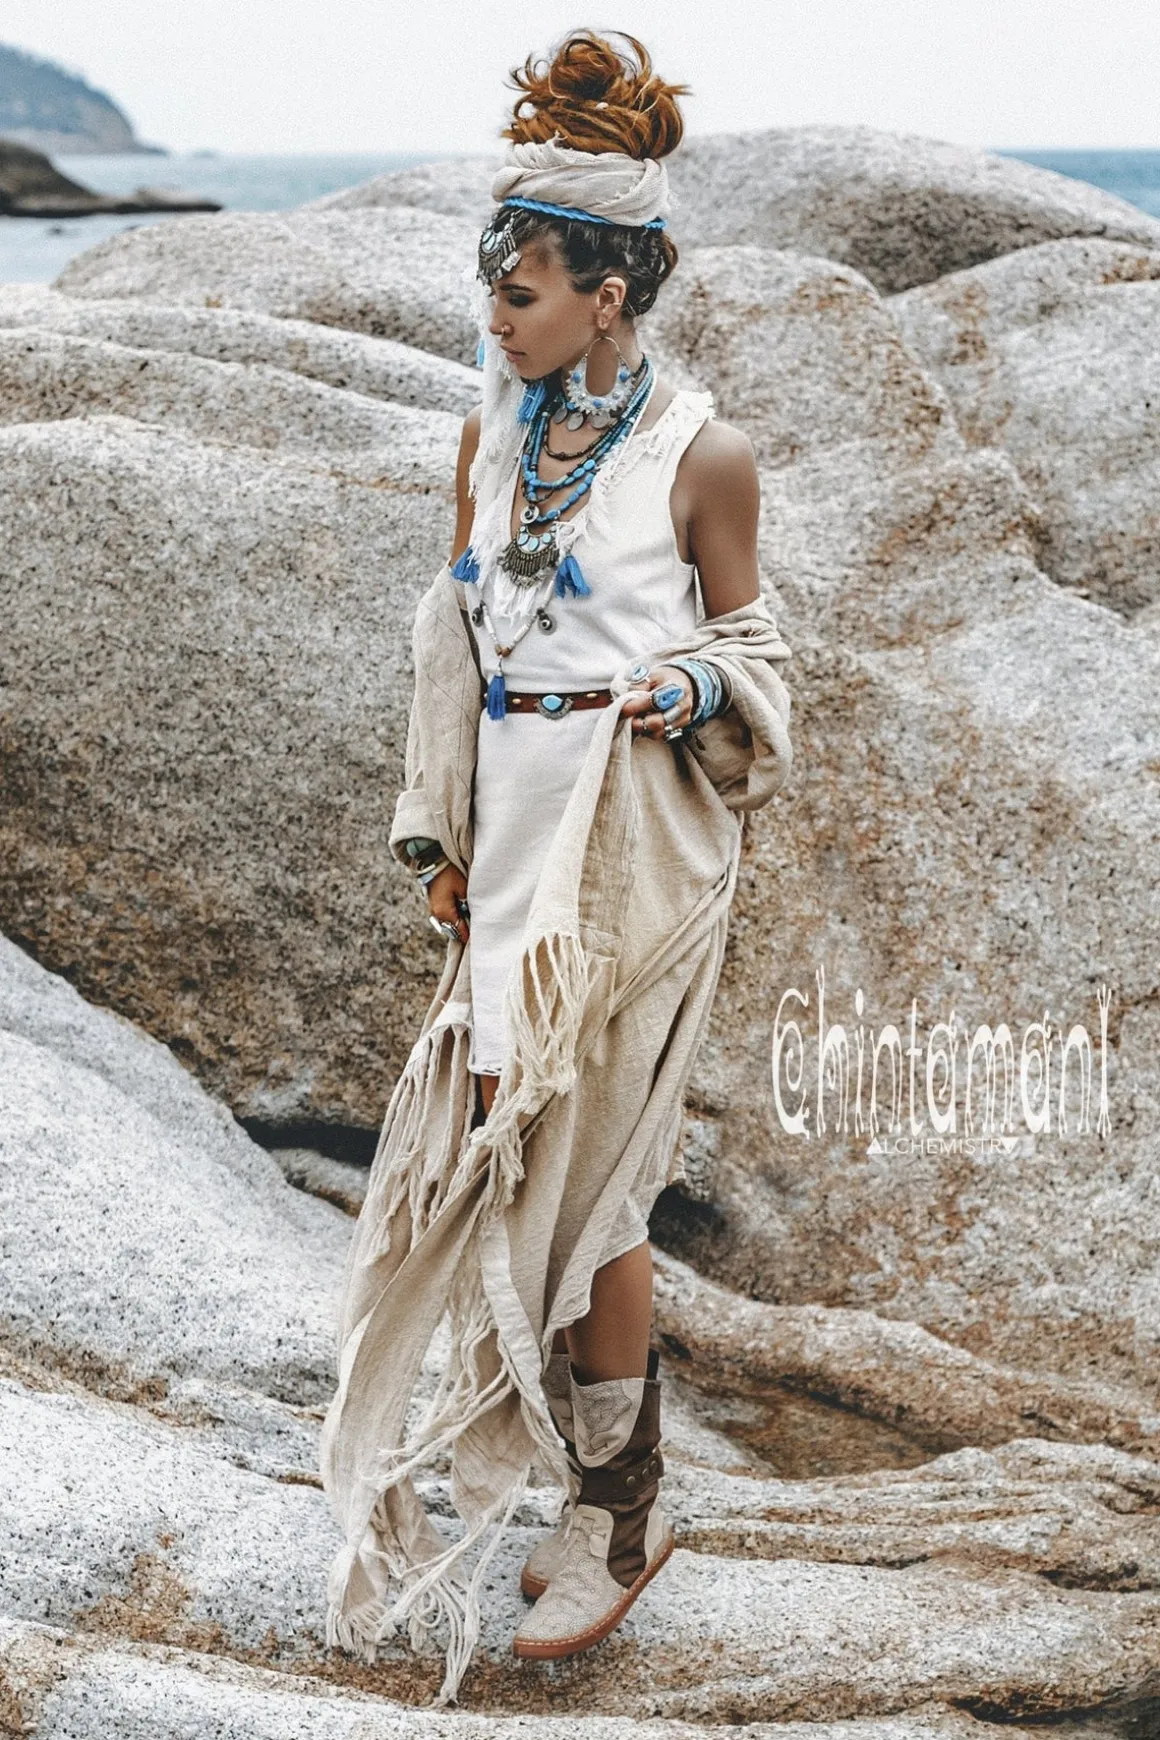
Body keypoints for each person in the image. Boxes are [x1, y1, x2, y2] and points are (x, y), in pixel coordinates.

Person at [319, 29, 793, 1706]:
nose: (496, 315)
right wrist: (441, 838)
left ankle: (618, 1508)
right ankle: (588, 1473)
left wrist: (694, 689)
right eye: (492, 285)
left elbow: (764, 652)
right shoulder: (492, 440)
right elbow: (457, 641)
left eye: (521, 290)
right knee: (509, 1150)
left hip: (633, 845)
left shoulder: (701, 457)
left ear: (609, 292)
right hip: (514, 833)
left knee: (593, 1178)